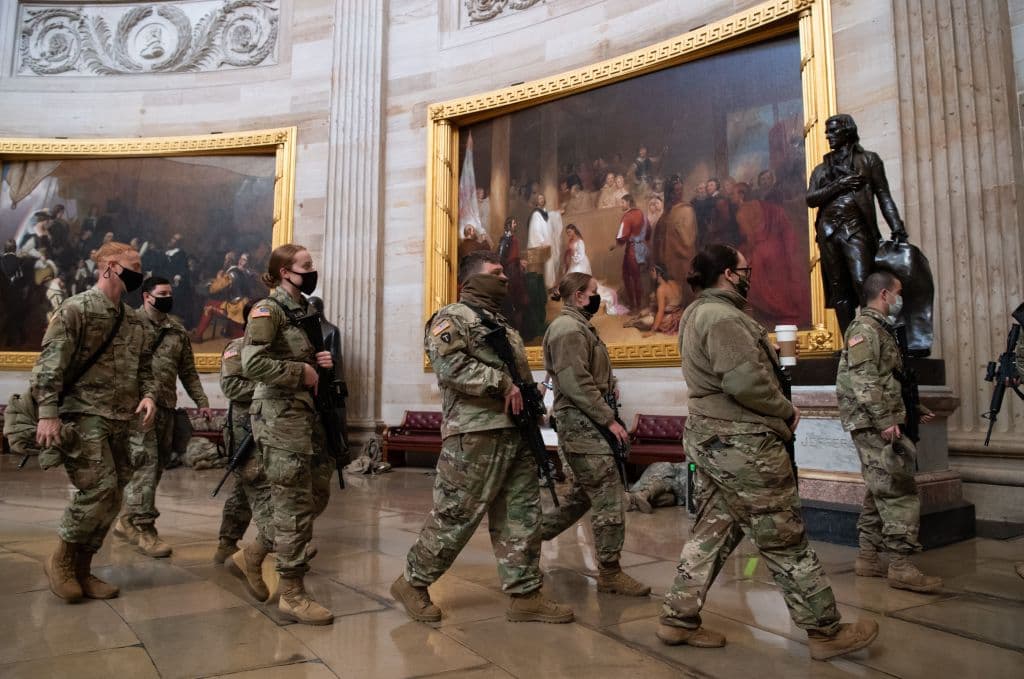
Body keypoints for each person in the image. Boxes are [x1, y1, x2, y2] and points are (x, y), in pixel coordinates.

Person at [660, 244, 878, 660]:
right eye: (746, 269)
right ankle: (825, 629)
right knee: (784, 536)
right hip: (743, 445)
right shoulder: (723, 317)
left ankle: (677, 618)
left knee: (713, 531)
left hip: (715, 441)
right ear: (728, 273)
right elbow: (744, 382)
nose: (749, 275)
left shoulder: (696, 313)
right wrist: (785, 409)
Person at [392, 250, 573, 625]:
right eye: (496, 273)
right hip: (476, 433)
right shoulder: (452, 317)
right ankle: (413, 581)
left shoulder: (503, 325)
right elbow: (450, 365)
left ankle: (525, 594)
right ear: (471, 280)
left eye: (506, 272)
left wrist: (532, 396)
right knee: (457, 514)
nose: (505, 278)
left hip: (515, 432)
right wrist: (501, 383)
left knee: (521, 514)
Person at [31, 241, 157, 603]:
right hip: (83, 414)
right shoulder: (77, 309)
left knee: (115, 494)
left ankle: (83, 569)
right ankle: (61, 560)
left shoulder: (133, 320)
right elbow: (49, 366)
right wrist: (48, 414)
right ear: (110, 267)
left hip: (121, 418)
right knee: (97, 488)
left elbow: (146, 366)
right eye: (133, 265)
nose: (139, 272)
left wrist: (148, 394)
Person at [539, 272, 650, 597]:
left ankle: (527, 537)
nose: (597, 296)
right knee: (609, 495)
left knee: (581, 498)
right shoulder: (568, 330)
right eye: (592, 292)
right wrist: (608, 420)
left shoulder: (578, 327)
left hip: (588, 423)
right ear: (578, 297)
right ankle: (610, 571)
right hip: (583, 424)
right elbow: (576, 383)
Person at [242, 243, 336, 624]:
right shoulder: (270, 310)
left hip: (306, 415)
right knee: (293, 502)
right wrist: (301, 372)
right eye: (306, 266)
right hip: (279, 417)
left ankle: (254, 551)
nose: (312, 271)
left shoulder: (305, 311)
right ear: (285, 272)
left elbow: (300, 357)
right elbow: (252, 362)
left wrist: (319, 361)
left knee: (317, 492)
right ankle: (293, 593)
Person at [836, 271, 942, 592]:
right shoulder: (865, 329)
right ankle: (900, 565)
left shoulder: (881, 329)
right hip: (872, 422)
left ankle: (868, 557)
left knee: (879, 485)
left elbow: (888, 379)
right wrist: (884, 420)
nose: (900, 299)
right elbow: (864, 379)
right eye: (898, 293)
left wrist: (912, 409)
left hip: (877, 418)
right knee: (899, 488)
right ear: (884, 295)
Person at [114, 276, 212, 558]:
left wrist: (202, 401)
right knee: (145, 465)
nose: (168, 297)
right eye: (162, 293)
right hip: (137, 410)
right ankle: (145, 530)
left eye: (170, 293)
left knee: (154, 470)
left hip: (166, 409)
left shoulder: (177, 330)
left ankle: (126, 519)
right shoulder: (129, 324)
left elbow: (188, 372)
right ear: (146, 296)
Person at [806, 113, 910, 334]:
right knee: (838, 290)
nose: (828, 135)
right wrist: (839, 185)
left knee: (864, 283)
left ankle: (871, 335)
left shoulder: (869, 160)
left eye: (833, 130)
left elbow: (884, 196)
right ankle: (849, 343)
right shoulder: (822, 169)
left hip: (857, 230)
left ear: (848, 131)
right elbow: (811, 199)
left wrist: (896, 226)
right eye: (827, 131)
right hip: (828, 232)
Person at [216, 305, 278, 603]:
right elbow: (230, 386)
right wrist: (269, 386)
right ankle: (245, 549)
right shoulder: (236, 348)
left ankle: (229, 542)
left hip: (270, 429)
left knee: (245, 490)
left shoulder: (274, 350)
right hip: (245, 432)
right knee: (256, 485)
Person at [612, 194, 649, 312]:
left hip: (632, 251)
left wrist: (616, 244)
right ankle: (639, 305)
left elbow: (622, 236)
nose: (621, 205)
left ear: (628, 202)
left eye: (622, 202)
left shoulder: (627, 217)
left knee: (628, 276)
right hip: (642, 249)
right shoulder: (641, 213)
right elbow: (648, 230)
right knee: (638, 277)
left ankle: (634, 306)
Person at [634, 265, 684, 336]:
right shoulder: (674, 283)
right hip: (680, 317)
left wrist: (652, 331)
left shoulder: (661, 289)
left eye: (652, 270)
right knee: (645, 312)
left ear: (659, 273)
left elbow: (661, 311)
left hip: (670, 321)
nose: (650, 273)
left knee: (646, 321)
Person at [497, 217, 528, 331]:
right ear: (509, 225)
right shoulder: (507, 238)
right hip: (511, 270)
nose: (516, 225)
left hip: (514, 269)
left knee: (518, 299)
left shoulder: (511, 238)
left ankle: (518, 328)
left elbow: (513, 255)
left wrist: (519, 262)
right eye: (514, 223)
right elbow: (502, 256)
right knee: (513, 298)